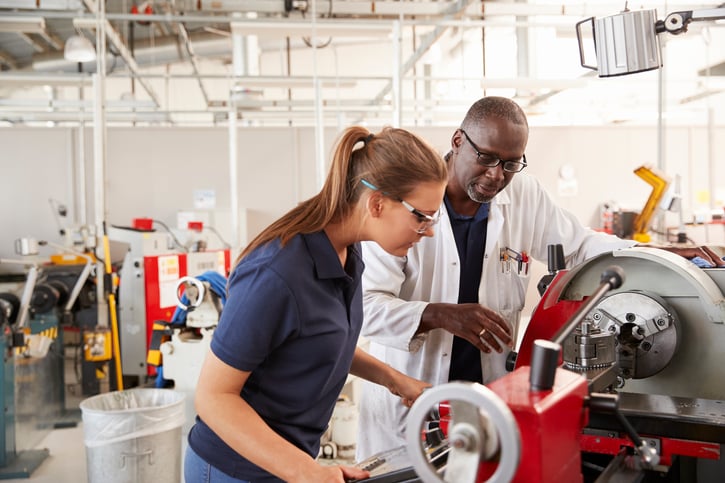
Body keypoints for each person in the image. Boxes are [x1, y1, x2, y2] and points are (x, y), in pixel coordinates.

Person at [355, 96, 725, 461]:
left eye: (511, 163)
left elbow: (581, 245)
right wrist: (438, 314)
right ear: (457, 141)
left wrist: (657, 252)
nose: (497, 175)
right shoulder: (406, 204)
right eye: (486, 157)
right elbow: (364, 308)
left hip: (489, 399)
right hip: (408, 404)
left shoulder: (523, 193)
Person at [184, 125, 448, 483]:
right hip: (236, 468)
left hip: (286, 460)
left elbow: (321, 339)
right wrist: (306, 471)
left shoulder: (348, 254)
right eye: (422, 216)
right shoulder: (276, 274)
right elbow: (213, 397)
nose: (429, 230)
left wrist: (396, 380)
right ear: (377, 203)